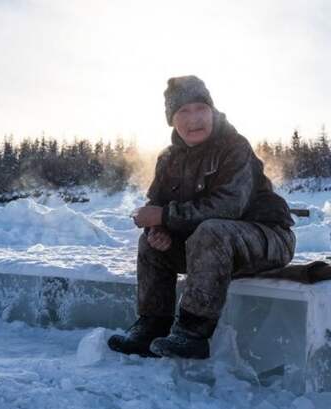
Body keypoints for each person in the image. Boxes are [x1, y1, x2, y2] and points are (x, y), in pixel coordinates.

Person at [108, 75, 296, 358]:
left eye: (200, 108)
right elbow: (156, 205)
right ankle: (152, 326)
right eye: (183, 111)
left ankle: (192, 332)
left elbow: (230, 207)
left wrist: (165, 216)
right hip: (208, 251)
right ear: (172, 120)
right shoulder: (167, 158)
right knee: (149, 245)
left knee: (212, 230)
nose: (194, 118)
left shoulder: (234, 146)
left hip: (266, 239)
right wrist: (158, 232)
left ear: (212, 110)